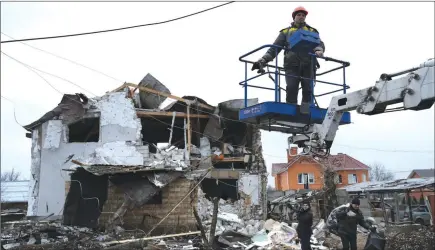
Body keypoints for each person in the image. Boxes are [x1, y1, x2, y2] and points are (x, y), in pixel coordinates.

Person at [251, 6, 325, 114]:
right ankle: (291, 110)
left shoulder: (311, 31)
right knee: (291, 88)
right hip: (292, 65)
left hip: (308, 65)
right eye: (298, 15)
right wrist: (263, 60)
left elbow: (319, 44)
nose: (301, 17)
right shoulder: (286, 32)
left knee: (308, 89)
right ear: (294, 17)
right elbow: (274, 49)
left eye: (303, 15)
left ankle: (307, 111)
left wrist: (319, 50)